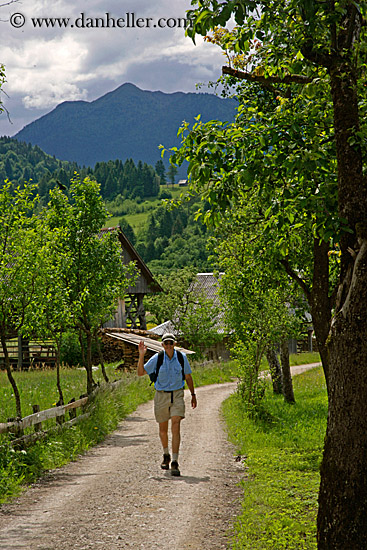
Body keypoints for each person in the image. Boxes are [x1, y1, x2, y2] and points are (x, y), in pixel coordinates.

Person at [137, 332, 197, 476]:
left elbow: (188, 377)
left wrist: (193, 395)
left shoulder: (182, 358)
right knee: (163, 429)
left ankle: (175, 462)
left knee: (176, 425)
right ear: (162, 345)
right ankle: (166, 455)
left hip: (177, 394)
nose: (169, 345)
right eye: (166, 343)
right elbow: (140, 373)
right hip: (161, 396)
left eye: (171, 343)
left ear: (174, 344)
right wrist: (141, 355)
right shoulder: (157, 358)